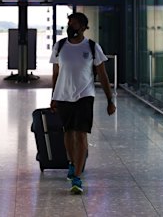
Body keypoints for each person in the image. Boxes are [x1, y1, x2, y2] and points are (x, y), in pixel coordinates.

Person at [49, 12, 116, 195]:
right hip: (63, 96)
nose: (71, 26)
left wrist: (110, 100)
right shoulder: (60, 46)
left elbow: (102, 74)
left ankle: (77, 177)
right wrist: (53, 97)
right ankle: (71, 162)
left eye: (75, 23)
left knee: (81, 135)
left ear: (84, 27)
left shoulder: (93, 47)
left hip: (85, 96)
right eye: (70, 22)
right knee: (68, 133)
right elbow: (56, 74)